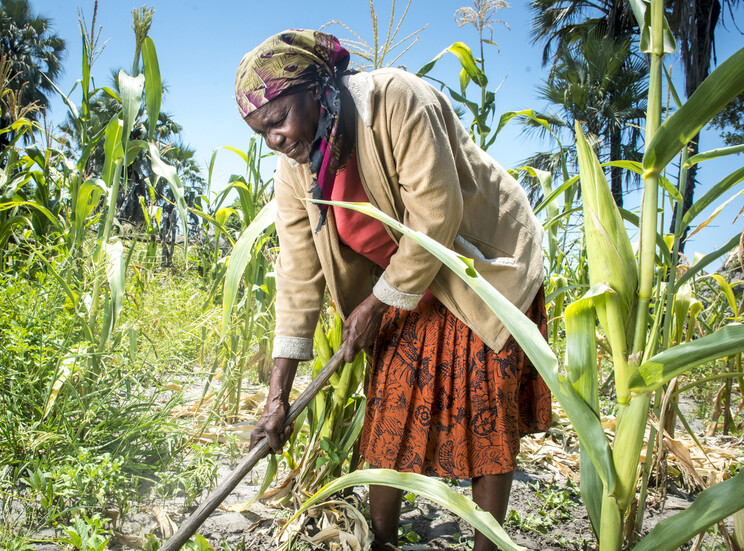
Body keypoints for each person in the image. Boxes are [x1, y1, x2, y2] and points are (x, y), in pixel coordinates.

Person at [235, 30, 551, 551]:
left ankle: (487, 545)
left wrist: (377, 305)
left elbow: (436, 215)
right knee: (390, 412)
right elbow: (297, 277)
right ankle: (382, 542)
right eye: (260, 132)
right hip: (402, 280)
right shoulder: (294, 171)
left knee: (485, 409)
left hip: (477, 266)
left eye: (278, 120)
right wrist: (277, 397)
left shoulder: (397, 100)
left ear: (316, 88)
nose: (274, 139)